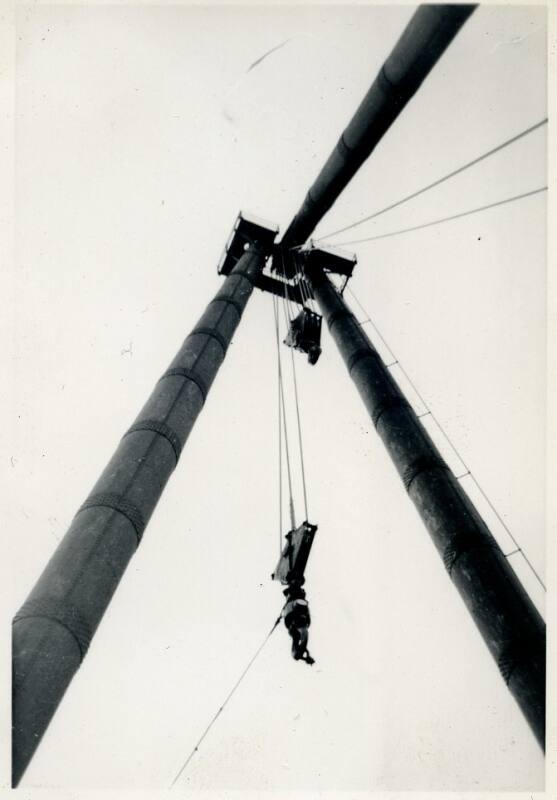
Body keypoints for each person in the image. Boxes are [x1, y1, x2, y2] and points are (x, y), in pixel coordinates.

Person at [281, 580, 315, 665]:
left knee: (301, 633)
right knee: (301, 632)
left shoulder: (298, 632)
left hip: (295, 615)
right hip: (295, 614)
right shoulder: (300, 631)